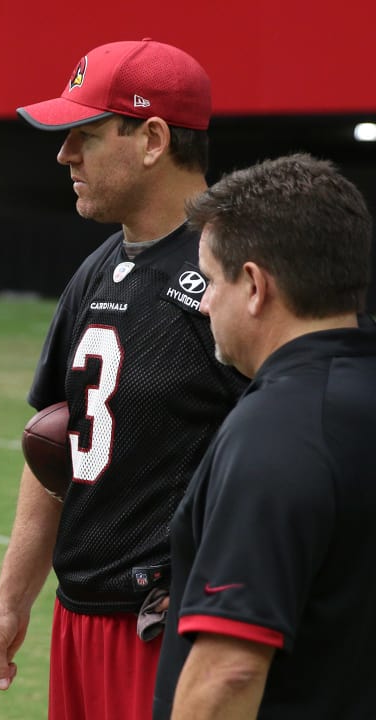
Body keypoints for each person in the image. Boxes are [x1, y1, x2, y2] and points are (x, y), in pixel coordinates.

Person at [0, 39, 248, 720]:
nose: (64, 156)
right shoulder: (95, 271)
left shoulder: (235, 278)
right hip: (81, 615)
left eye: (84, 136)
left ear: (151, 139)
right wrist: (9, 602)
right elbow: (56, 446)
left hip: (172, 621)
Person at [152, 154, 376, 719]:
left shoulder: (277, 432)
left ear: (254, 285)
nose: (202, 303)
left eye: (207, 281)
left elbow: (231, 670)